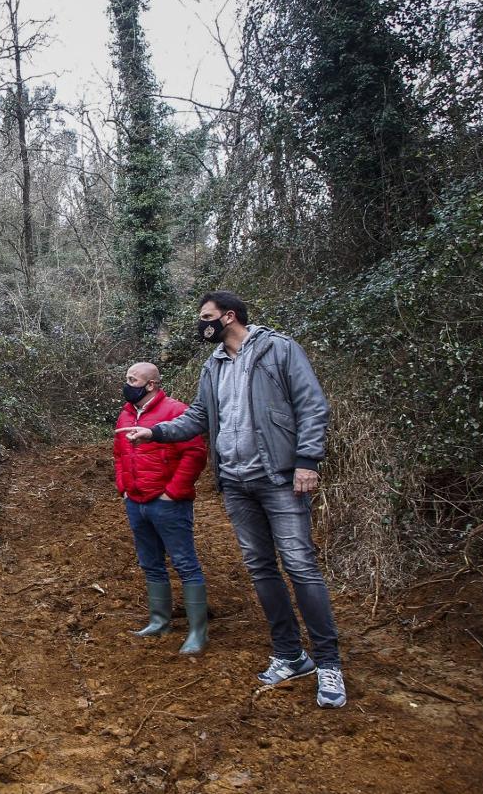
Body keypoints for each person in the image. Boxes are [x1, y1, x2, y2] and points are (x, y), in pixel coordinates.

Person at [116, 291, 346, 708]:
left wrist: (307, 460)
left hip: (278, 477)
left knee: (299, 565)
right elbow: (198, 417)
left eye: (206, 317)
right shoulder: (213, 365)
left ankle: (329, 663)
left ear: (229, 316)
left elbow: (312, 406)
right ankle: (291, 654)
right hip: (236, 481)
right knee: (261, 568)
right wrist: (156, 432)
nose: (202, 324)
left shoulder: (279, 350)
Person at [113, 362, 209, 654]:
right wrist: (124, 488)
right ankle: (159, 622)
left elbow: (195, 453)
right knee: (150, 562)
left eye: (133, 379)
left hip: (168, 502)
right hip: (136, 500)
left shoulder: (175, 411)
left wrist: (173, 493)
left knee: (184, 563)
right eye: (127, 378)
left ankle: (197, 632)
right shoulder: (126, 414)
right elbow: (119, 454)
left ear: (151, 384)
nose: (127, 383)